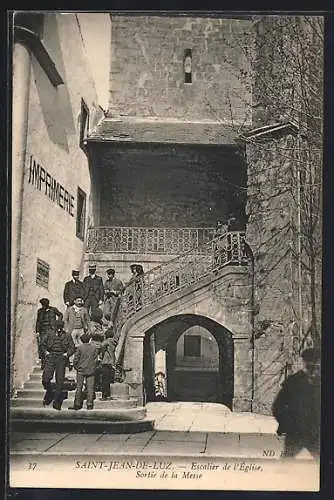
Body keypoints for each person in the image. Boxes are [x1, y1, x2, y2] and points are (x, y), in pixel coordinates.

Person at [272, 347, 321, 459]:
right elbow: (279, 406)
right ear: (304, 362)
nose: (313, 366)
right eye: (310, 361)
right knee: (286, 462)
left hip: (316, 432)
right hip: (296, 431)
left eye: (316, 362)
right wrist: (286, 423)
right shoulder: (293, 382)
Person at [41, 319, 76, 410]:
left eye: (60, 328)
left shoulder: (67, 335)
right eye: (58, 328)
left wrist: (67, 354)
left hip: (61, 358)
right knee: (46, 378)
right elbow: (43, 344)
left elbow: (72, 347)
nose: (59, 330)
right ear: (55, 327)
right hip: (51, 357)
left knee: (59, 381)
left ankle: (57, 402)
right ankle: (49, 392)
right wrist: (46, 353)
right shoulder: (50, 334)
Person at [70, 333, 99, 410]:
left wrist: (77, 368)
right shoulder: (94, 348)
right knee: (90, 388)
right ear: (89, 339)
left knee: (79, 387)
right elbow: (96, 360)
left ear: (81, 340)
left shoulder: (80, 348)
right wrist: (93, 367)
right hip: (91, 370)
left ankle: (77, 404)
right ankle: (89, 404)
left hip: (81, 370)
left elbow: (75, 360)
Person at [35, 298, 63, 369]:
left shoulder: (53, 309)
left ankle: (52, 362)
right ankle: (43, 362)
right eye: (42, 305)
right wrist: (37, 331)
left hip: (51, 330)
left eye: (45, 305)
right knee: (42, 345)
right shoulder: (40, 311)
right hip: (43, 331)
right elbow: (38, 321)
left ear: (48, 304)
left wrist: (57, 322)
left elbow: (60, 315)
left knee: (51, 345)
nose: (43, 306)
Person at [99, 327, 118, 401]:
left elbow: (102, 346)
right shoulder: (113, 341)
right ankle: (108, 395)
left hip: (106, 362)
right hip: (111, 362)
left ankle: (104, 396)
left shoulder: (107, 341)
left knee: (104, 380)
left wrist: (101, 355)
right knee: (108, 380)